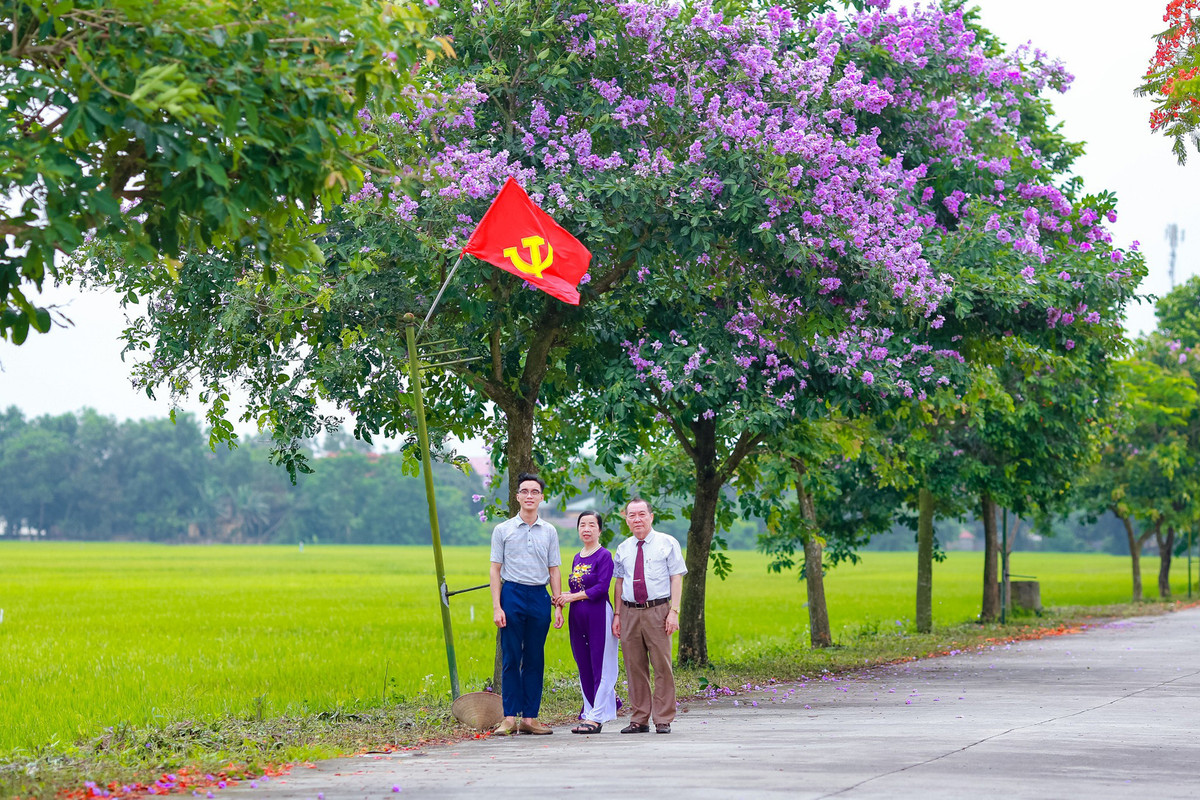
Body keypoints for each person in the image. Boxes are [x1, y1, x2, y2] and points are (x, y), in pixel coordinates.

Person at [489, 472, 563, 735]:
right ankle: (509, 718)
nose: (529, 496)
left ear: (541, 497)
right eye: (525, 491)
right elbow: (495, 570)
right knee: (511, 656)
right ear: (517, 496)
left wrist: (557, 606)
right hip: (512, 594)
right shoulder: (503, 530)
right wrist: (497, 606)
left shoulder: (550, 531)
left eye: (535, 492)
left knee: (535, 657)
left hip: (539, 596)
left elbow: (554, 569)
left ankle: (530, 719)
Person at [611, 497, 686, 734]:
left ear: (651, 517)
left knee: (662, 665)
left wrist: (674, 611)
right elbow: (619, 584)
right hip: (630, 612)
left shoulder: (667, 543)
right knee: (634, 666)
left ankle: (662, 718)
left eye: (641, 514)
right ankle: (639, 718)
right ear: (627, 520)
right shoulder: (623, 548)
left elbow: (676, 577)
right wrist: (617, 614)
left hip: (658, 610)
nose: (637, 519)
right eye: (632, 515)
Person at [554, 510, 620, 734]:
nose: (586, 529)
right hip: (577, 616)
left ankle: (597, 716)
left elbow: (601, 588)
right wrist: (562, 602)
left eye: (592, 525)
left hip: (598, 614)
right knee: (584, 664)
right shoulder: (576, 557)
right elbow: (574, 587)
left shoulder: (604, 556)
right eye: (582, 524)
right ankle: (589, 712)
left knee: (601, 665)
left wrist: (572, 597)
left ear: (599, 530)